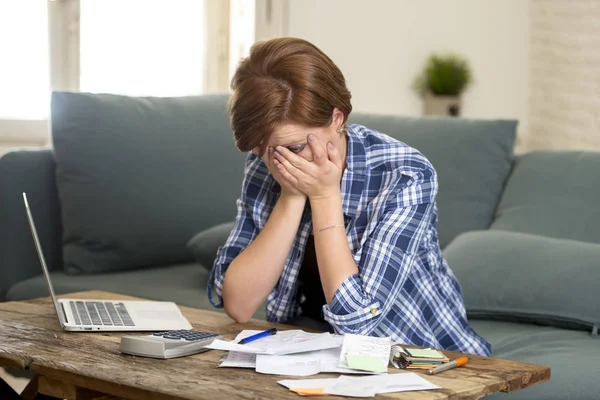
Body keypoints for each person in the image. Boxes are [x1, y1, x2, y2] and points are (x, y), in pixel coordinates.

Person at [207, 37, 491, 356]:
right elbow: (238, 304)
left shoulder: (405, 174)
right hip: (312, 349)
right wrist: (291, 195)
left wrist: (326, 196)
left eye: (296, 147)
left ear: (337, 118)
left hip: (412, 353)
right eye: (262, 149)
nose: (280, 162)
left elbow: (359, 327)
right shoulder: (267, 164)